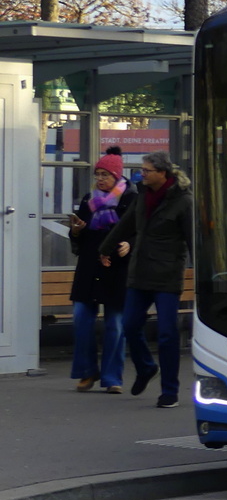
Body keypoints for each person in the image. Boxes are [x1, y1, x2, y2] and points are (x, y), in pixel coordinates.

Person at [100, 151, 193, 408]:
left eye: (147, 170)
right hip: (139, 273)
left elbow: (193, 239)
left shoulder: (183, 201)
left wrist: (206, 277)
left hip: (166, 276)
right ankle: (146, 367)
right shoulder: (143, 196)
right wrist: (105, 249)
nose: (142, 174)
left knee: (166, 333)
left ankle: (170, 391)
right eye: (142, 169)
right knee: (129, 325)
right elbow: (126, 224)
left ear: (163, 173)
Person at [67, 147, 136, 394]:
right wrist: (76, 230)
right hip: (89, 267)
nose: (100, 180)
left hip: (118, 269)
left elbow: (141, 232)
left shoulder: (130, 199)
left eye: (105, 175)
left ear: (117, 176)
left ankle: (112, 377)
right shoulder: (89, 199)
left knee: (115, 325)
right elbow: (79, 236)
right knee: (81, 319)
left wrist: (131, 243)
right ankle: (87, 373)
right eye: (97, 175)